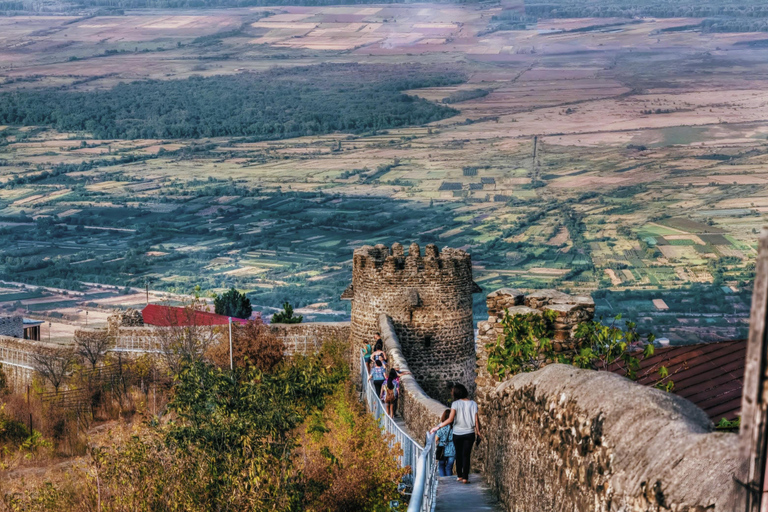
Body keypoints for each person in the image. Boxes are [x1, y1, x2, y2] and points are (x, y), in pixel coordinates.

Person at [429, 383, 481, 484]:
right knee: (466, 455)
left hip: (457, 433)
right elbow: (476, 420)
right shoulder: (473, 404)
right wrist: (478, 432)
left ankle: (459, 476)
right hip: (470, 433)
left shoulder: (455, 404)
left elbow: (450, 419)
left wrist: (438, 426)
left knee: (458, 454)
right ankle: (465, 477)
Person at [436, 409, 456, 477]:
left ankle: (443, 481)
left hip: (442, 449)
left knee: (441, 466)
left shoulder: (441, 427)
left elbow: (436, 439)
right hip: (452, 449)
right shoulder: (454, 427)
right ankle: (450, 483)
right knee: (449, 468)